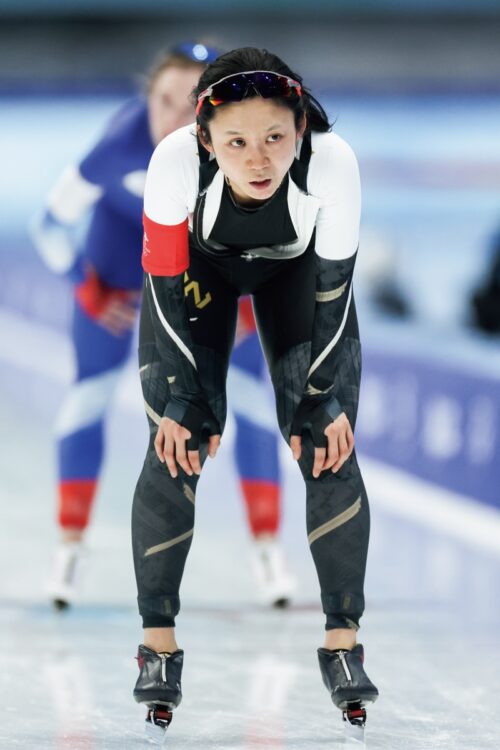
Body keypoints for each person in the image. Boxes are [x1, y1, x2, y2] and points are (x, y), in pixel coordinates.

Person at [131, 47, 378, 739]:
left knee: (327, 442)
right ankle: (158, 644)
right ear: (204, 141)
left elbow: (334, 291)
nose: (259, 158)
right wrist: (184, 399)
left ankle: (342, 640)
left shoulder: (334, 163)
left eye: (275, 137)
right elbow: (165, 290)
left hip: (298, 280)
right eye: (236, 142)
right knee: (175, 445)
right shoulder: (173, 164)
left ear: (300, 129)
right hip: (196, 284)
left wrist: (321, 397)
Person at [31, 41, 294, 611]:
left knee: (248, 398)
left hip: (204, 263)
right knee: (89, 394)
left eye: (192, 102)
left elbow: (290, 238)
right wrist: (86, 282)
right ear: (145, 98)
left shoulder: (243, 146)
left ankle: (268, 549)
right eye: (164, 101)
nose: (176, 117)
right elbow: (47, 225)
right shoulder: (117, 146)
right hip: (119, 261)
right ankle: (69, 549)